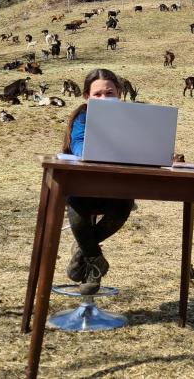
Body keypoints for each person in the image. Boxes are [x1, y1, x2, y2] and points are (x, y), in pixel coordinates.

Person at [61, 68, 134, 295]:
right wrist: (93, 154)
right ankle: (95, 262)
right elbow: (78, 142)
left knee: (123, 206)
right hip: (84, 183)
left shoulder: (134, 119)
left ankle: (83, 250)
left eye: (109, 93)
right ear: (87, 97)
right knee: (77, 207)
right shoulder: (82, 116)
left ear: (119, 93)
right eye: (98, 94)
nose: (104, 99)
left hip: (118, 186)